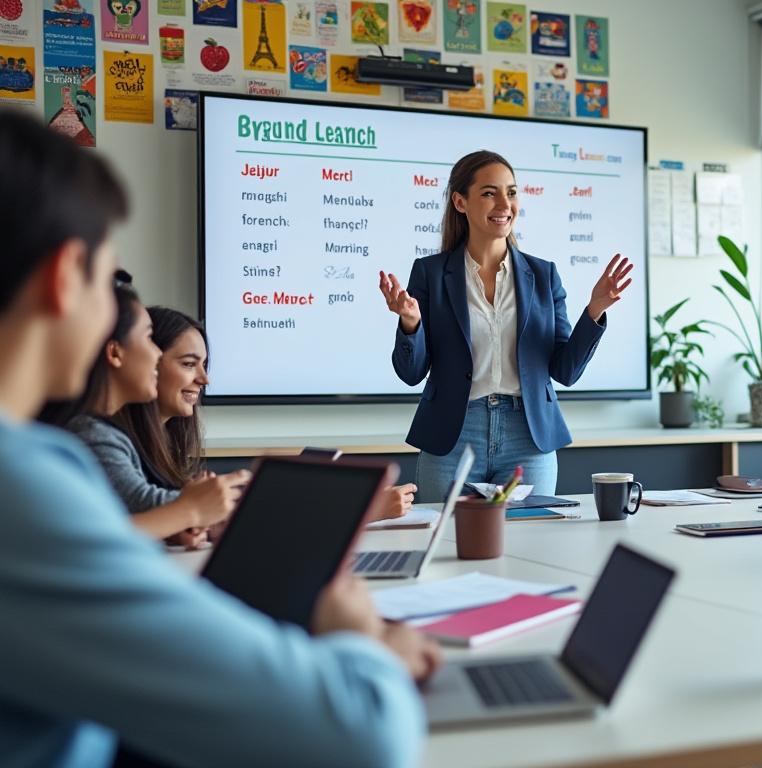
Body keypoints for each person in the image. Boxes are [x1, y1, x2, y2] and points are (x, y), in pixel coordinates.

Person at [0, 108, 437, 768]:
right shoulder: (21, 489)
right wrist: (362, 645)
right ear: (65, 278)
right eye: (107, 278)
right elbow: (358, 735)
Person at [379, 149, 633, 500]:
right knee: (446, 532)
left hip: (527, 436)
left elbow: (565, 371)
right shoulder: (431, 273)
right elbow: (411, 373)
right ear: (460, 202)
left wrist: (595, 311)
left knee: (529, 533)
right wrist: (411, 323)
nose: (504, 204)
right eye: (489, 193)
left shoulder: (543, 275)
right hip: (453, 435)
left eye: (511, 192)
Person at [123, 306, 417, 547]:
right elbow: (156, 509)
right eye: (189, 364)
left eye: (204, 365)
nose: (204, 379)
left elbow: (174, 517)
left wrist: (199, 521)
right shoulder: (110, 441)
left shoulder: (165, 443)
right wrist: (364, 509)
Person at [39, 274, 248, 546]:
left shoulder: (154, 440)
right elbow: (141, 507)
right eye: (149, 339)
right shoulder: (90, 433)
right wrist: (200, 506)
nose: (156, 355)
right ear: (115, 353)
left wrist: (189, 519)